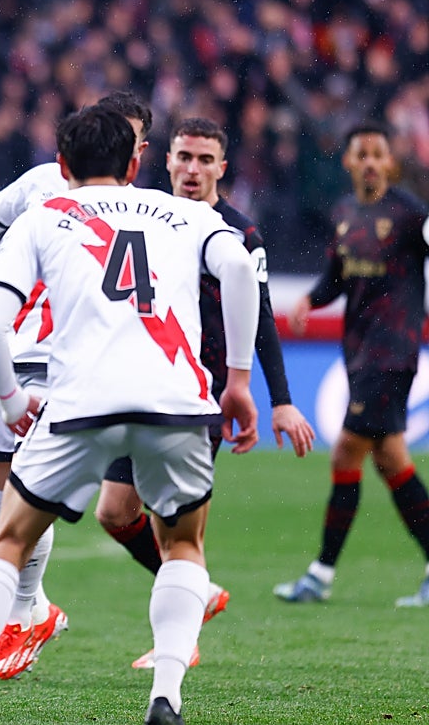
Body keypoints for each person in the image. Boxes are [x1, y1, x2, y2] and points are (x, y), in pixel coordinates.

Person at [0, 106, 260, 725]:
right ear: (137, 163)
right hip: (176, 403)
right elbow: (241, 270)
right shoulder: (184, 214)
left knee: (8, 543)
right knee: (184, 550)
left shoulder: (44, 216)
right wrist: (238, 379)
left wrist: (12, 398)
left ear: (64, 165)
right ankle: (166, 697)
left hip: (79, 402)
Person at [0, 90, 153, 680]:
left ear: (139, 152)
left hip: (73, 359)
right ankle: (34, 603)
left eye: (129, 136)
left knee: (32, 488)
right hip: (13, 353)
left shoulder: (144, 211)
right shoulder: (43, 183)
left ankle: (24, 608)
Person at [95, 117, 316, 669]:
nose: (192, 170)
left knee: (176, 525)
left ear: (222, 167)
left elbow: (260, 317)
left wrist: (280, 398)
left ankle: (180, 639)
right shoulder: (141, 217)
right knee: (114, 511)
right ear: (164, 160)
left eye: (204, 160)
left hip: (201, 397)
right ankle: (198, 590)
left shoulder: (240, 233)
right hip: (139, 386)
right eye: (183, 157)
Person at [274, 121, 429, 607]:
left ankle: (320, 574)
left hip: (393, 352)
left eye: (376, 154)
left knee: (345, 453)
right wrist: (309, 300)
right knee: (391, 460)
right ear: (347, 162)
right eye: (359, 154)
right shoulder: (343, 213)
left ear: (389, 163)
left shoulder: (408, 214)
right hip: (358, 353)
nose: (368, 162)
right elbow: (337, 278)